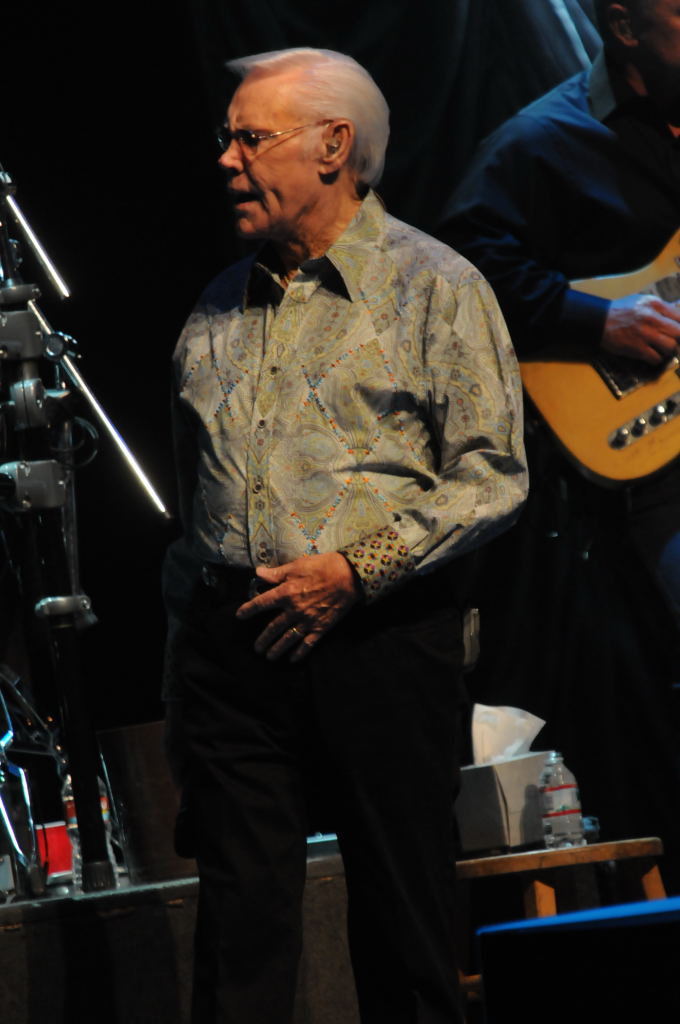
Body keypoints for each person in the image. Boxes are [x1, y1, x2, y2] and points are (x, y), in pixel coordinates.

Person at [163, 47, 527, 1024]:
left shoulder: (434, 287)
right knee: (238, 936)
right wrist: (185, 682)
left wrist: (354, 570)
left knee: (404, 925)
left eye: (250, 138)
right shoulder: (215, 306)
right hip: (234, 651)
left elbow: (493, 474)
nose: (227, 159)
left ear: (333, 146)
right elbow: (194, 513)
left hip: (379, 639)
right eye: (225, 138)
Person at [441, 0, 680, 624]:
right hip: (656, 464)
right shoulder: (540, 141)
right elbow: (459, 280)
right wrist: (597, 320)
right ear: (624, 27)